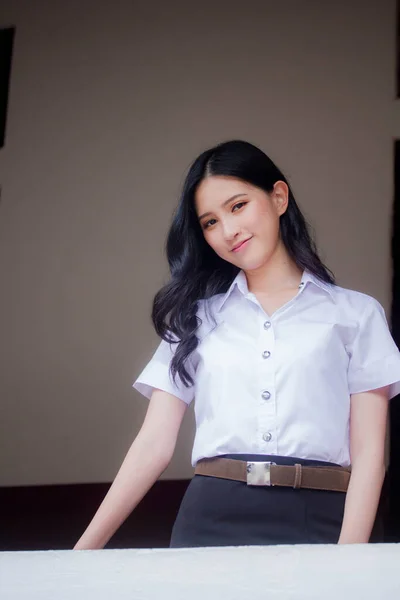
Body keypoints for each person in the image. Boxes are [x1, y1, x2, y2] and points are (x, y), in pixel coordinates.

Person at [74, 140, 400, 550]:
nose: (228, 231)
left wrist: (349, 557)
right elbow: (153, 444)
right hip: (210, 517)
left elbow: (370, 452)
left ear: (278, 197)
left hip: (322, 517)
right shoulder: (195, 319)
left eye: (238, 206)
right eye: (210, 222)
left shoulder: (357, 314)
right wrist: (83, 550)